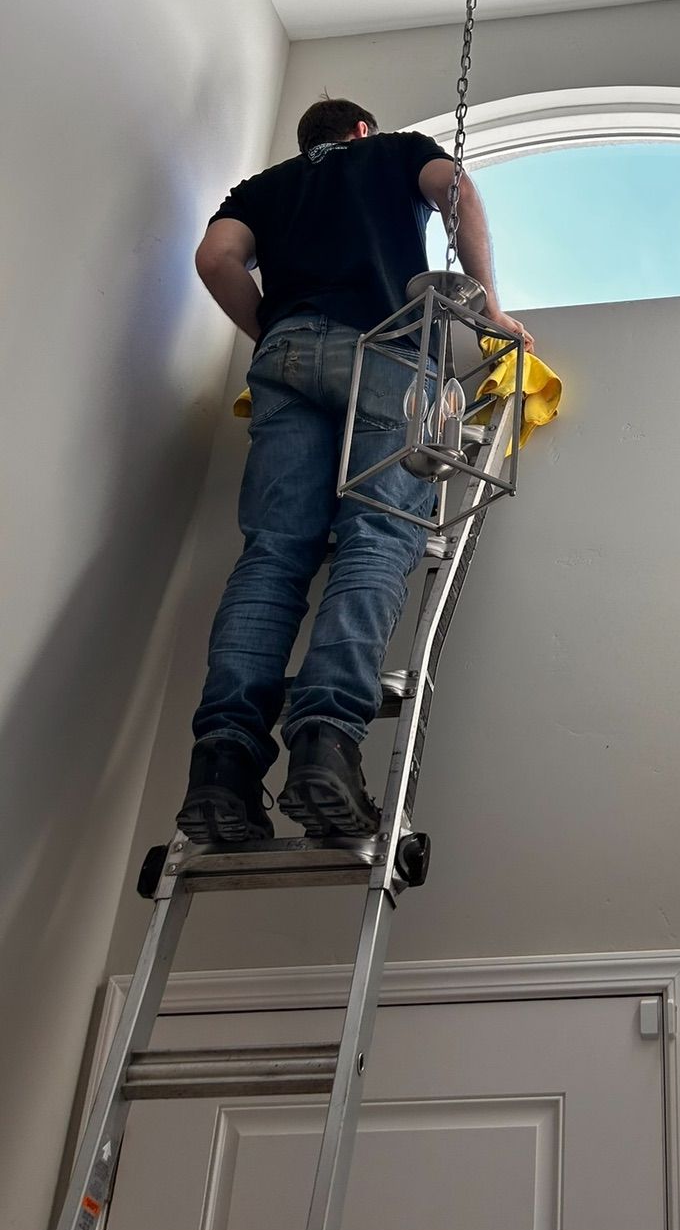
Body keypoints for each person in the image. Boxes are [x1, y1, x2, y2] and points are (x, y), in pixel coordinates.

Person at [177, 98, 533, 849]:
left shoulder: (262, 186)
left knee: (272, 556)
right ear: (363, 130)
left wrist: (275, 331)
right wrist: (489, 307)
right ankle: (325, 745)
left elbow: (214, 260)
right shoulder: (395, 151)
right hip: (386, 351)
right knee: (376, 538)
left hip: (285, 357)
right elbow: (456, 189)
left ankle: (223, 762)